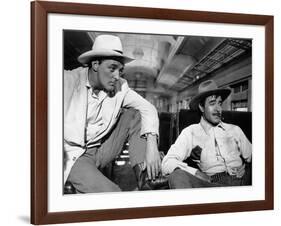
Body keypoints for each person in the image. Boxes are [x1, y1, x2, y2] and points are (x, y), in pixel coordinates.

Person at [64, 34, 165, 193]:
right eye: (112, 68)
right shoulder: (66, 82)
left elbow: (148, 108)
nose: (117, 76)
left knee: (137, 113)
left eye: (120, 70)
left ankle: (144, 176)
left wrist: (152, 147)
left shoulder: (120, 86)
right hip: (74, 155)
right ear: (96, 65)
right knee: (113, 194)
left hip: (102, 148)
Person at [162, 80, 252, 189]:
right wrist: (196, 173)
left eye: (219, 103)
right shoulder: (190, 132)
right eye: (212, 103)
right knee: (177, 176)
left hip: (244, 180)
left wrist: (248, 167)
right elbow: (167, 162)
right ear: (201, 107)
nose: (218, 109)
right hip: (212, 183)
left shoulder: (234, 130)